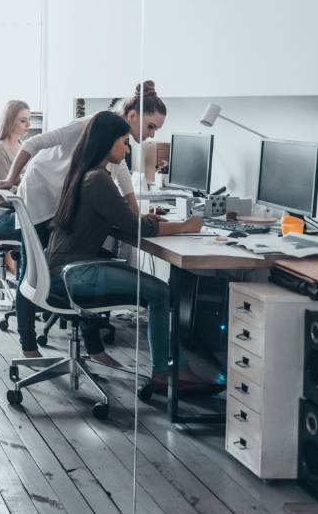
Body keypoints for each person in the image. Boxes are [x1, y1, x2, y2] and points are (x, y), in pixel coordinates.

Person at [0, 81, 168, 359]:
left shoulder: (114, 141)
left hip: (63, 197)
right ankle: (28, 346)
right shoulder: (91, 125)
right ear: (132, 115)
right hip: (40, 194)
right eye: (151, 126)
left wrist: (134, 215)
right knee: (33, 272)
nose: (151, 135)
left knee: (85, 258)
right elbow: (33, 143)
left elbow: (123, 177)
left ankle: (94, 348)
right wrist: (10, 179)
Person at [45, 111, 207, 394]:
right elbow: (135, 227)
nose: (127, 148)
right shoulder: (97, 179)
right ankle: (165, 374)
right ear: (108, 142)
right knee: (161, 293)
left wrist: (143, 220)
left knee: (157, 290)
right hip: (74, 274)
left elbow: (124, 219)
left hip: (64, 269)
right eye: (124, 142)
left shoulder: (86, 173)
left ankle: (173, 369)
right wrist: (185, 226)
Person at [0, 99, 31, 238]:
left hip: (17, 209)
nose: (28, 125)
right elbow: (4, 191)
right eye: (23, 121)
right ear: (10, 121)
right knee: (36, 226)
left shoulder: (22, 146)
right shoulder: (0, 148)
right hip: (0, 214)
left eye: (29, 120)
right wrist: (29, 189)